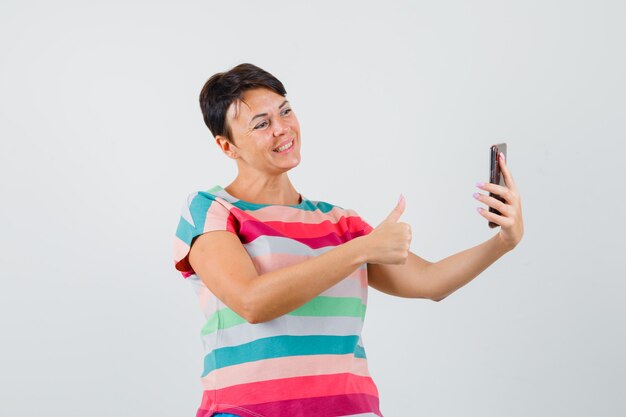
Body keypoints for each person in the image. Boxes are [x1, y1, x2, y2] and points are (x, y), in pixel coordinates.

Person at [173, 63, 524, 417]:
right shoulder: (210, 210)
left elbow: (430, 282)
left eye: (285, 111)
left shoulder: (339, 222)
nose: (282, 129)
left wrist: (504, 242)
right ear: (227, 146)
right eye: (261, 124)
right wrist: (360, 250)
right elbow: (252, 302)